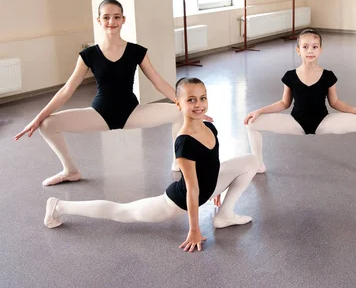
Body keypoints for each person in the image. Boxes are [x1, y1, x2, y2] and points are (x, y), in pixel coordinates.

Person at [44, 77, 258, 252]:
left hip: (207, 188)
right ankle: (60, 206)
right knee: (122, 212)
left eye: (202, 98)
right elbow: (192, 189)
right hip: (176, 202)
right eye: (191, 100)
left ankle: (225, 215)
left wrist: (217, 185)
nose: (198, 104)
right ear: (178, 104)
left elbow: (211, 162)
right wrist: (194, 229)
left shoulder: (210, 128)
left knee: (251, 161)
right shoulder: (184, 142)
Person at [15, 0, 200, 185]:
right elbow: (67, 89)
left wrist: (188, 107)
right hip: (100, 114)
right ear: (99, 20)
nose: (111, 21)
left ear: (123, 20)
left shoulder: (137, 51)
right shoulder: (88, 55)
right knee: (47, 125)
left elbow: (158, 81)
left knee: (180, 113)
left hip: (132, 113)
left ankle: (178, 160)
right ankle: (70, 171)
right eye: (106, 17)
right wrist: (38, 118)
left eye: (116, 17)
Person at [244, 29, 356, 180]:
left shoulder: (328, 75)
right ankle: (258, 165)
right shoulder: (290, 76)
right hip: (296, 122)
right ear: (298, 50)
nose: (310, 50)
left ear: (320, 50)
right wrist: (259, 111)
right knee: (251, 123)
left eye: (315, 47)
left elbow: (335, 103)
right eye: (305, 47)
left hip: (324, 122)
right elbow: (284, 103)